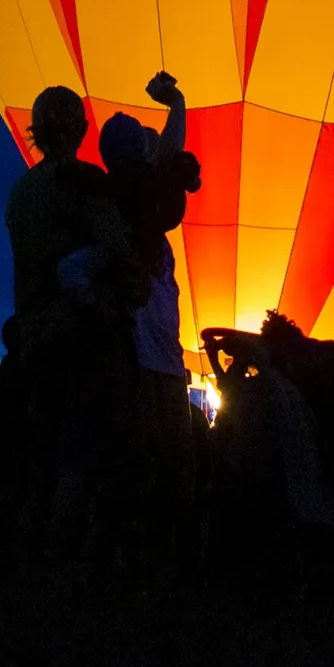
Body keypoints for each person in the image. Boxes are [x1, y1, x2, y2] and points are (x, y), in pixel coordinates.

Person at [0, 86, 136, 538]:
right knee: (86, 453)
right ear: (80, 130)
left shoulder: (20, 194)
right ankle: (70, 558)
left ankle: (32, 554)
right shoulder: (86, 183)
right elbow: (119, 249)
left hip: (34, 341)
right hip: (83, 340)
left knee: (41, 454)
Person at [99, 71, 198, 553]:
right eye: (146, 143)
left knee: (151, 468)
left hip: (151, 359)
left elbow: (168, 155)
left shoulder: (119, 200)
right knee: (161, 469)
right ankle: (154, 560)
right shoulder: (135, 200)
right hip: (147, 363)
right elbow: (171, 153)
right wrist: (176, 102)